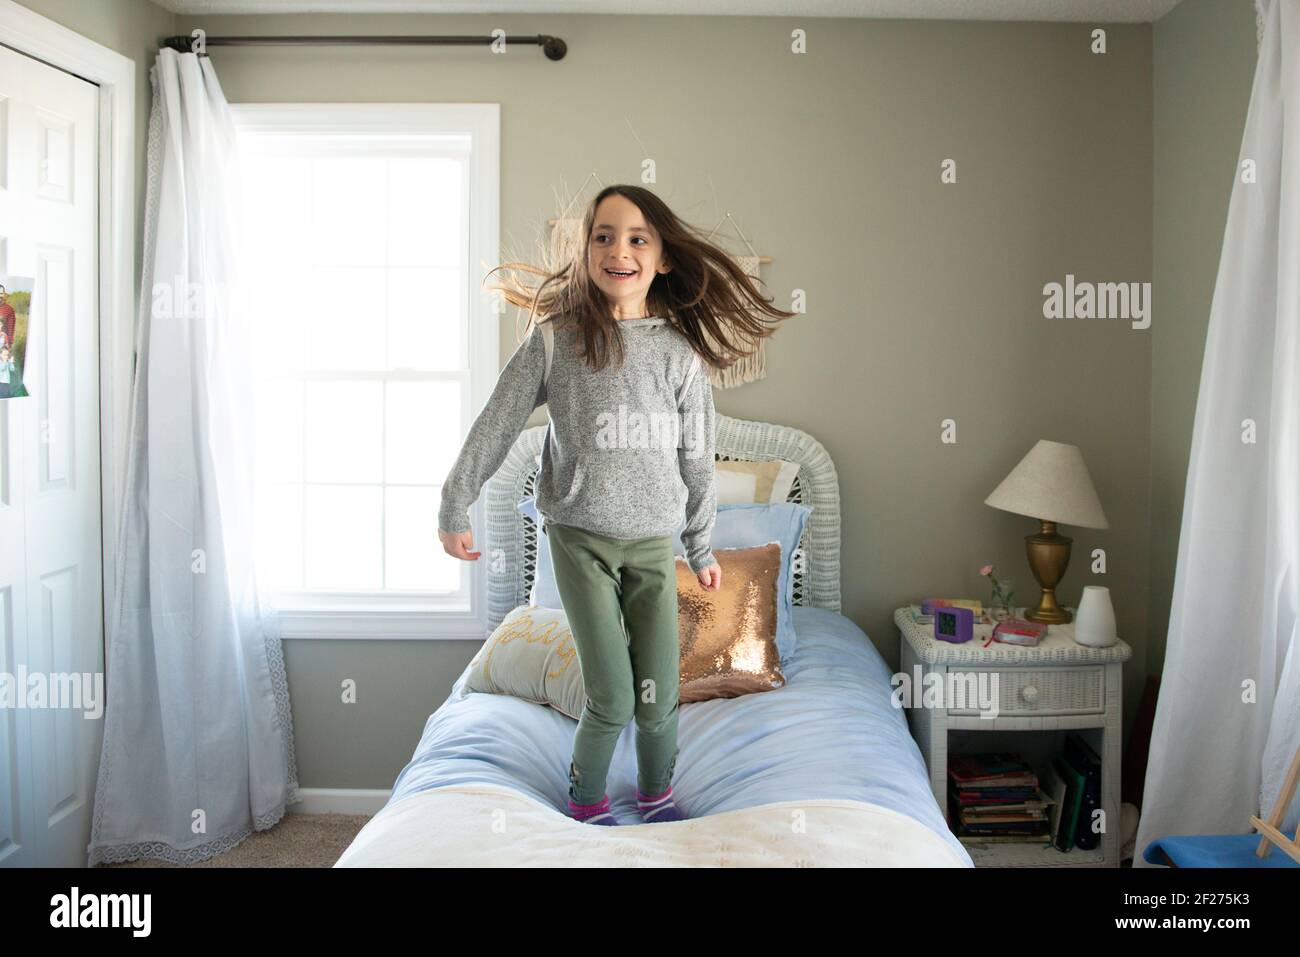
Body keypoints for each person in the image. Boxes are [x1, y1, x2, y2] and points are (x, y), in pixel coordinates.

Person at [437, 185, 795, 825]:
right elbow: (496, 424)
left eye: (636, 238)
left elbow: (696, 458)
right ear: (585, 251)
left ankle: (656, 794)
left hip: (655, 550)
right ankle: (586, 801)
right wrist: (455, 505)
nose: (618, 249)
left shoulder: (679, 354)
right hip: (580, 544)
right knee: (612, 695)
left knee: (658, 698)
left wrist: (701, 546)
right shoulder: (555, 341)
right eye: (603, 235)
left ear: (661, 258)